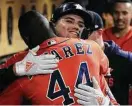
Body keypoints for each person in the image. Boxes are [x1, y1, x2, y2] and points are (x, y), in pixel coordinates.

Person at [0, 3, 114, 105]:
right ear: (52, 25)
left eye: (81, 24)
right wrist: (15, 70)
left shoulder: (92, 53)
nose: (76, 27)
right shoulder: (24, 58)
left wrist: (105, 104)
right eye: (69, 21)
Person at [77, 10, 132, 105]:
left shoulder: (125, 59)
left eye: (84, 34)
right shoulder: (75, 57)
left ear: (99, 33)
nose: (80, 39)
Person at [102, 0, 132, 104]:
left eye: (124, 13)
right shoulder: (100, 36)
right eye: (116, 12)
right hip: (103, 96)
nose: (120, 17)